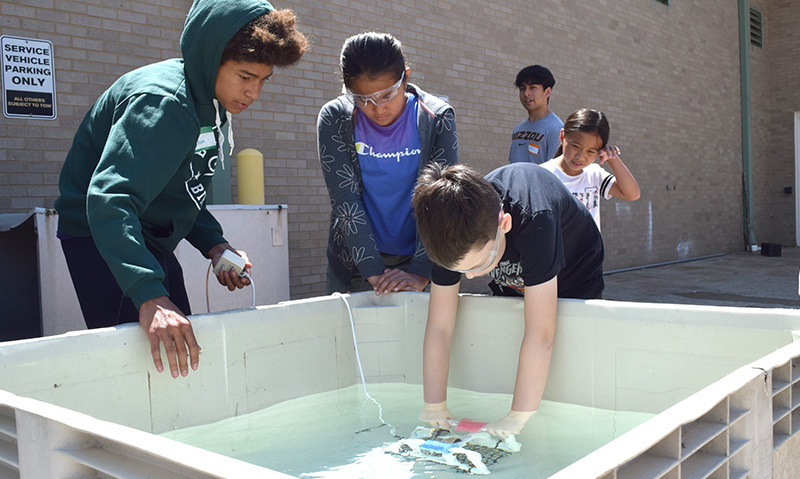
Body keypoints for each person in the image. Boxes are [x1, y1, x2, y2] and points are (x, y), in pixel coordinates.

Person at [54, 0, 308, 378]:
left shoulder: (209, 100)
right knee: (145, 367)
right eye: (244, 76)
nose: (253, 92)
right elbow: (110, 198)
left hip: (146, 233)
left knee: (182, 344)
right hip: (102, 234)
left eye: (262, 80)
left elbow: (181, 189)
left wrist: (214, 245)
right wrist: (147, 294)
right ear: (210, 59)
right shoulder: (165, 102)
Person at [411, 163, 604, 439]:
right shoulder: (448, 234)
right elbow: (439, 326)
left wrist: (517, 417)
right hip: (514, 264)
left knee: (568, 358)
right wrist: (434, 406)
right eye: (461, 271)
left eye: (480, 264)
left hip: (574, 272)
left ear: (505, 224)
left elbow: (541, 334)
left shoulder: (536, 218)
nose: (471, 275)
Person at [317, 32, 458, 296]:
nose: (378, 109)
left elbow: (442, 200)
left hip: (425, 260)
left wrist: (420, 271)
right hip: (357, 265)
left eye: (387, 95)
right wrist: (373, 272)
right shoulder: (335, 117)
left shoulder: (436, 117)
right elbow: (345, 200)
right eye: (363, 98)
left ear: (406, 76)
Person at [541, 108, 640, 231]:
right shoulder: (543, 174)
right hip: (558, 249)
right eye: (576, 146)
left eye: (591, 151)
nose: (580, 156)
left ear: (600, 151)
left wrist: (612, 160)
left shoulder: (594, 174)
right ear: (562, 136)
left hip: (591, 250)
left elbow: (632, 194)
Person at [508, 65, 563, 164]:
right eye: (522, 88)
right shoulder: (518, 130)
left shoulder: (556, 128)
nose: (526, 93)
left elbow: (555, 172)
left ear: (547, 92)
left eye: (532, 87)